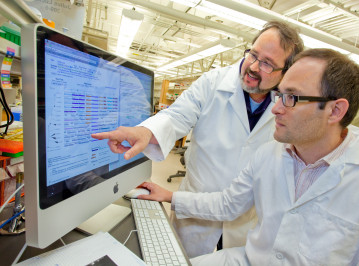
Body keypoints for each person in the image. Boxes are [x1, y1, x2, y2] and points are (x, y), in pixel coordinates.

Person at [137, 48, 359, 265]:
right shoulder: (269, 155)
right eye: (279, 95)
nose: (274, 109)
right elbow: (228, 205)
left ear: (335, 111)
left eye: (291, 98)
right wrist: (170, 196)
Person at [92, 21, 304, 257]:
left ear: (285, 73)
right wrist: (146, 132)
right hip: (194, 209)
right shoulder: (213, 82)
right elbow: (177, 115)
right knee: (182, 259)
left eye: (267, 64)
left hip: (244, 219)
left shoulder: (287, 107)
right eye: (253, 54)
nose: (253, 66)